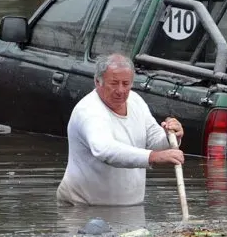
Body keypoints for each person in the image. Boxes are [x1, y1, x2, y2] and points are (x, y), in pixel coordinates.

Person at [56, 53, 185, 206]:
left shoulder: (136, 100)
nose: (121, 90)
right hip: (83, 206)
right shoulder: (89, 111)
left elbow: (154, 140)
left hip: (130, 208)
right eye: (114, 83)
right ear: (98, 82)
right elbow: (105, 150)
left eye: (126, 84)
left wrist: (171, 137)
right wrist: (153, 157)